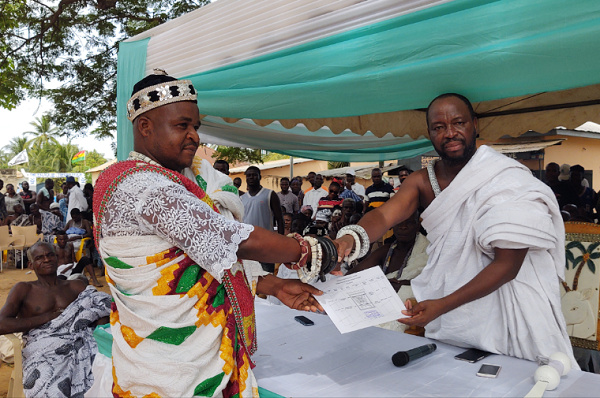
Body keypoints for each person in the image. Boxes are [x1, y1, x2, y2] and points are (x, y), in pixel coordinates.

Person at [93, 70, 324, 397]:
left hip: (211, 359)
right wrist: (312, 251)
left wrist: (272, 285)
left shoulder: (193, 182)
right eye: (181, 125)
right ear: (145, 127)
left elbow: (208, 258)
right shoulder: (138, 186)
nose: (195, 137)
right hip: (163, 370)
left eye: (196, 127)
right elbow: (234, 240)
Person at [335, 93, 576, 365]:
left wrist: (442, 305)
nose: (450, 133)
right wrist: (348, 238)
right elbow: (382, 216)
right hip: (455, 319)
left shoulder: (508, 178)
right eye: (439, 128)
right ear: (430, 133)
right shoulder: (422, 181)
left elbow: (508, 265)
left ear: (475, 125)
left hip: (509, 310)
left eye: (458, 123)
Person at [0, 241, 111, 397]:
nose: (46, 259)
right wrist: (47, 317)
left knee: (106, 368)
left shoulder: (75, 286)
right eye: (40, 257)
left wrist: (97, 332)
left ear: (56, 258)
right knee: (48, 385)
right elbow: (2, 324)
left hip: (81, 343)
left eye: (50, 255)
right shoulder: (24, 289)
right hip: (43, 348)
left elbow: (103, 307)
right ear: (31, 265)